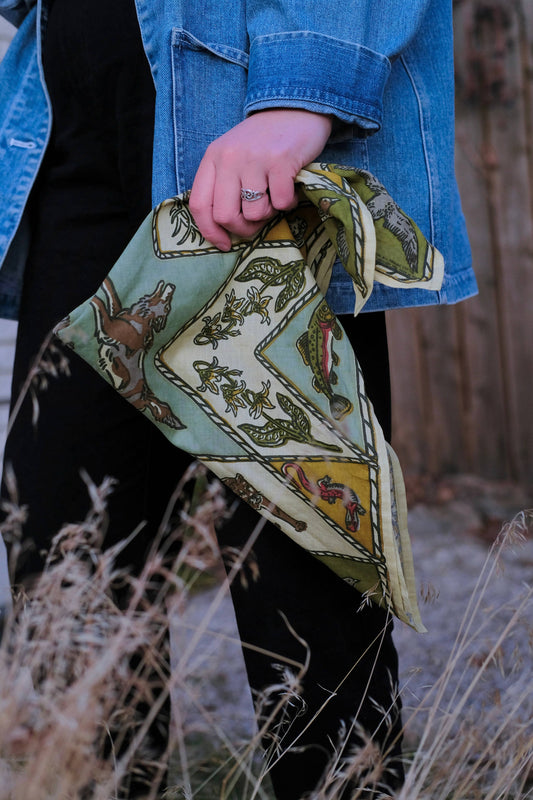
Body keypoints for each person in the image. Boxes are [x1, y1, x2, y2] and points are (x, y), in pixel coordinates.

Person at [0, 1, 477, 798]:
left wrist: (302, 90)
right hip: (70, 132)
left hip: (247, 131)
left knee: (303, 588)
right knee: (63, 565)